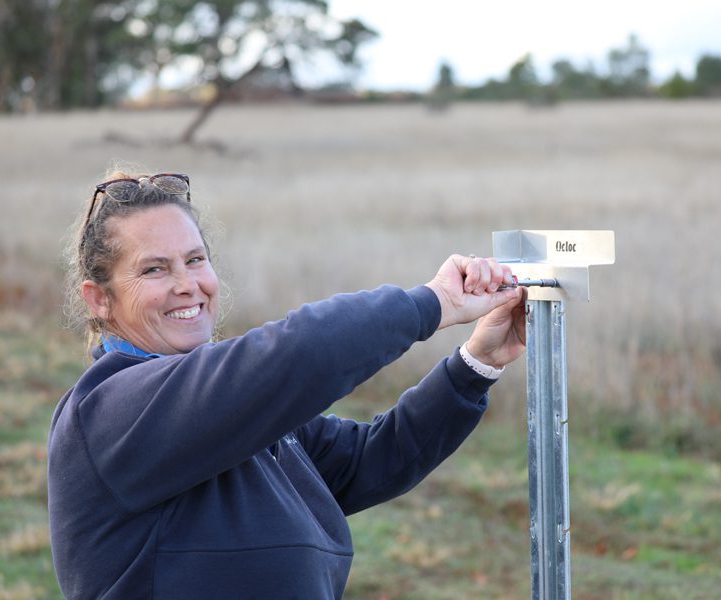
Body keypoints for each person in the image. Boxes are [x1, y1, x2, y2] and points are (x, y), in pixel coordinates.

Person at [48, 169, 527, 600]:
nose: (187, 284)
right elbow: (301, 354)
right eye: (154, 269)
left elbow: (373, 458)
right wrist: (433, 303)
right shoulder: (111, 412)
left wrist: (476, 363)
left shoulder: (233, 411)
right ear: (100, 300)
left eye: (195, 260)